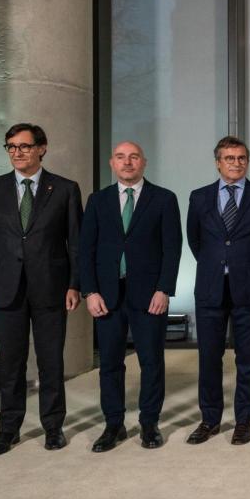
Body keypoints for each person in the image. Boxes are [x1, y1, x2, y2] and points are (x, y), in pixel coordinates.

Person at [0, 123, 82, 456]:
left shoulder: (64, 189)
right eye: (11, 147)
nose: (17, 153)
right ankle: (8, 430)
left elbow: (76, 243)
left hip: (51, 288)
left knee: (51, 363)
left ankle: (53, 428)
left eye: (23, 146)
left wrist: (75, 284)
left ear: (42, 148)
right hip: (5, 290)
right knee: (10, 364)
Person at [79, 141, 182, 452]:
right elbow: (86, 250)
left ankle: (149, 423)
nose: (127, 163)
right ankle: (114, 424)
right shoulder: (97, 201)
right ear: (112, 163)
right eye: (121, 157)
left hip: (150, 295)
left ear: (144, 162)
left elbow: (172, 248)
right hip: (107, 296)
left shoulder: (164, 199)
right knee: (110, 363)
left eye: (133, 157)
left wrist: (164, 289)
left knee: (151, 361)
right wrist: (90, 291)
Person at [185, 136, 250, 446]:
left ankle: (243, 421)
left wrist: (247, 268)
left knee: (248, 358)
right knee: (209, 357)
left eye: (240, 158)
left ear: (247, 161)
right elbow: (196, 241)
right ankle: (210, 419)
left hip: (249, 290)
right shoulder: (199, 197)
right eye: (228, 158)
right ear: (217, 162)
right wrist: (218, 266)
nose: (235, 163)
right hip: (210, 289)